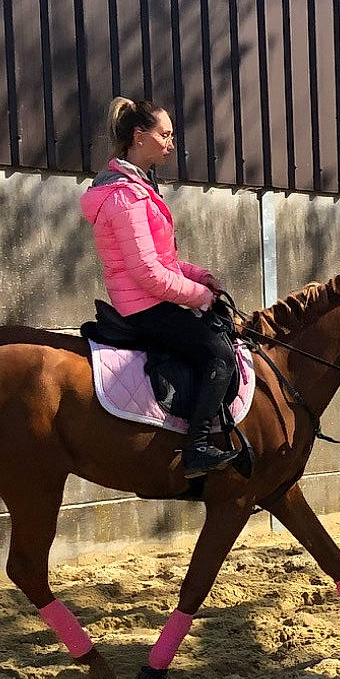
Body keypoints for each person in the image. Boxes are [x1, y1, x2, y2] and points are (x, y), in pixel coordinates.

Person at [80, 98, 239, 477]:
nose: (171, 143)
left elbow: (163, 260)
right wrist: (199, 297)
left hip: (149, 296)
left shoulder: (138, 187)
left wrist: (198, 275)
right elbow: (147, 272)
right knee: (218, 354)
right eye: (164, 135)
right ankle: (197, 448)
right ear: (139, 137)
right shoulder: (126, 196)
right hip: (143, 304)